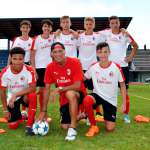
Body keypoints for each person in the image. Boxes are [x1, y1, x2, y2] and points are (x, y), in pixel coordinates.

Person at [37, 42, 86, 141]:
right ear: (51, 54)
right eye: (55, 52)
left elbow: (77, 85)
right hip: (64, 98)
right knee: (64, 126)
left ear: (64, 51)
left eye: (60, 51)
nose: (58, 54)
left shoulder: (75, 62)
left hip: (78, 94)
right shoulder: (50, 67)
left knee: (70, 93)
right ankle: (82, 115)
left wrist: (60, 89)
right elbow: (46, 89)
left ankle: (73, 129)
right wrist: (43, 111)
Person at [99, 16, 138, 123]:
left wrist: (130, 57)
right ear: (109, 24)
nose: (114, 25)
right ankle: (109, 113)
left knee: (124, 92)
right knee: (108, 92)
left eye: (116, 23)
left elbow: (135, 45)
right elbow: (92, 32)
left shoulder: (125, 34)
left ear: (119, 23)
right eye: (112, 23)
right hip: (110, 67)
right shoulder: (106, 33)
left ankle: (126, 114)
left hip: (123, 67)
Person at [83, 42, 127, 137]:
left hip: (110, 100)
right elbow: (83, 78)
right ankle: (93, 125)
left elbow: (122, 86)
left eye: (105, 52)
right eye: (100, 52)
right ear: (97, 53)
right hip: (97, 95)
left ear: (109, 52)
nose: (102, 54)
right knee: (87, 100)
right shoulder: (93, 66)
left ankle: (86, 115)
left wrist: (124, 103)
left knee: (110, 128)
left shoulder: (116, 67)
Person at [0, 47, 37, 135]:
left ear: (24, 59)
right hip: (12, 99)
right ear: (11, 59)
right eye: (14, 59)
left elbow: (33, 88)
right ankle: (20, 117)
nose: (17, 61)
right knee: (12, 126)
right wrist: (5, 110)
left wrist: (16, 94)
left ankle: (29, 125)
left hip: (25, 96)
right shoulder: (4, 72)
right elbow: (2, 92)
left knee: (32, 95)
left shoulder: (29, 69)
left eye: (20, 59)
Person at [77, 17, 104, 122]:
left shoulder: (98, 36)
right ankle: (83, 113)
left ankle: (97, 113)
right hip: (81, 68)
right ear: (84, 25)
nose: (88, 26)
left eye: (90, 24)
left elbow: (109, 36)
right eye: (87, 24)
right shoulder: (79, 36)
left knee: (95, 91)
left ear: (93, 25)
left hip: (93, 67)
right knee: (81, 91)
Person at [7, 20, 33, 116]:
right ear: (20, 28)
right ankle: (13, 103)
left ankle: (25, 111)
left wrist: (32, 68)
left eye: (27, 27)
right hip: (15, 65)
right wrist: (8, 66)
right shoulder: (16, 40)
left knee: (26, 87)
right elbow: (11, 54)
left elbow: (32, 55)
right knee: (16, 86)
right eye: (23, 27)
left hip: (26, 65)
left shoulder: (32, 41)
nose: (25, 29)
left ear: (29, 29)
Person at [30, 19, 54, 114]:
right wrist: (33, 69)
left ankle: (43, 112)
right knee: (33, 90)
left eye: (48, 26)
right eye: (45, 26)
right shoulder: (37, 39)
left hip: (48, 68)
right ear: (42, 28)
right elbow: (32, 55)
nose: (46, 28)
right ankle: (30, 112)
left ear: (51, 28)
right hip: (38, 68)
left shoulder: (53, 38)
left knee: (44, 91)